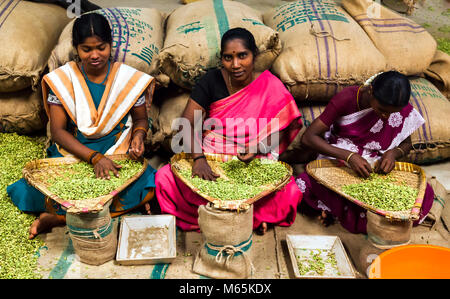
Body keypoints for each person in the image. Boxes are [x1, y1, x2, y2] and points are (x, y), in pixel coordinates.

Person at [7, 13, 157, 239]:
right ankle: (95, 212)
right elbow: (58, 131)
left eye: (101, 47)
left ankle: (57, 217)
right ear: (76, 48)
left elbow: (140, 119)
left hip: (116, 149)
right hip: (74, 150)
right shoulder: (63, 79)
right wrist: (94, 158)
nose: (95, 55)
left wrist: (138, 135)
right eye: (87, 49)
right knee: (33, 189)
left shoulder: (127, 79)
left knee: (150, 185)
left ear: (110, 45)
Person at [155, 27, 304, 235]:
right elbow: (187, 124)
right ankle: (248, 219)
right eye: (228, 58)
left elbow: (281, 128)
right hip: (212, 158)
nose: (235, 65)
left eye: (242, 56)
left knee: (289, 192)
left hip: (251, 160)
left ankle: (218, 218)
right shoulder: (210, 81)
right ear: (221, 59)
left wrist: (257, 148)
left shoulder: (269, 84)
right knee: (165, 178)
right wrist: (198, 159)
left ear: (254, 55)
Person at [295, 71, 435, 233]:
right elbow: (308, 137)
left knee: (423, 193)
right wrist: (349, 156)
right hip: (339, 159)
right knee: (307, 183)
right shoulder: (347, 99)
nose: (385, 116)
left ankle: (355, 214)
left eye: (391, 113)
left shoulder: (398, 108)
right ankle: (366, 217)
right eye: (382, 109)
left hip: (375, 164)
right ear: (370, 92)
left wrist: (393, 153)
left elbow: (406, 144)